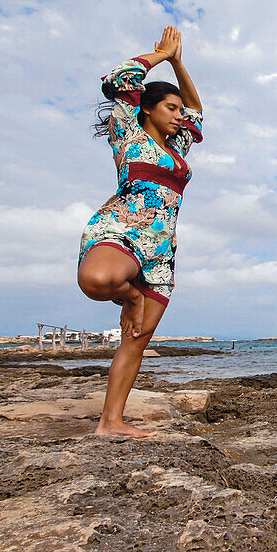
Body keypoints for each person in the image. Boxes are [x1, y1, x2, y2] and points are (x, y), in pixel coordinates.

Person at [77, 26, 203, 438]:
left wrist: (181, 64)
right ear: (148, 109)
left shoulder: (177, 148)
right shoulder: (127, 131)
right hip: (122, 230)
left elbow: (198, 110)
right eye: (171, 108)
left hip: (161, 251)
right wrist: (162, 57)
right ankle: (129, 296)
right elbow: (118, 79)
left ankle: (110, 422)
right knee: (97, 280)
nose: (179, 115)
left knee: (135, 342)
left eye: (179, 110)